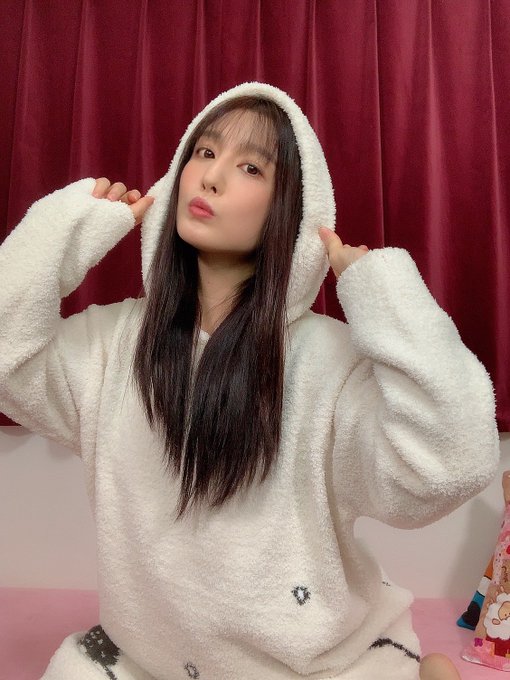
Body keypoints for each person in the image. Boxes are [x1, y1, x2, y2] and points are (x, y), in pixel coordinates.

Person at [0, 82, 498, 679]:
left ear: (291, 209)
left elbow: (451, 463)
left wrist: (387, 297)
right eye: (205, 153)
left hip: (312, 665)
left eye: (250, 167)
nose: (211, 178)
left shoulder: (328, 364)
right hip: (150, 659)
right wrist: (60, 230)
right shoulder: (111, 346)